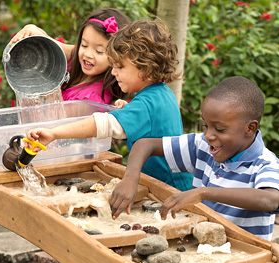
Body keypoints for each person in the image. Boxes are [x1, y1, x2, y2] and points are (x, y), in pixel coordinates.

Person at [25, 19, 193, 191]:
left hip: (168, 189)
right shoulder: (162, 93)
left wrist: (54, 133)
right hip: (170, 182)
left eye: (119, 66)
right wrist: (128, 108)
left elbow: (103, 124)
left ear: (146, 69)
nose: (113, 72)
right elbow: (149, 122)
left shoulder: (146, 104)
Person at [110, 76, 279, 241]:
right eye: (205, 125)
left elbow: (270, 200)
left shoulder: (265, 163)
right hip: (200, 247)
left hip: (245, 258)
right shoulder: (202, 146)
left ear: (250, 128)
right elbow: (144, 144)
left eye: (219, 129)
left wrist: (202, 193)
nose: (208, 135)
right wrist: (130, 179)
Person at [9, 8, 131, 104]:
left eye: (99, 51)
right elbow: (55, 45)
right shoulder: (78, 62)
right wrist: (31, 28)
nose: (88, 54)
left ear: (117, 57)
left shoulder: (90, 99)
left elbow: (58, 126)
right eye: (84, 45)